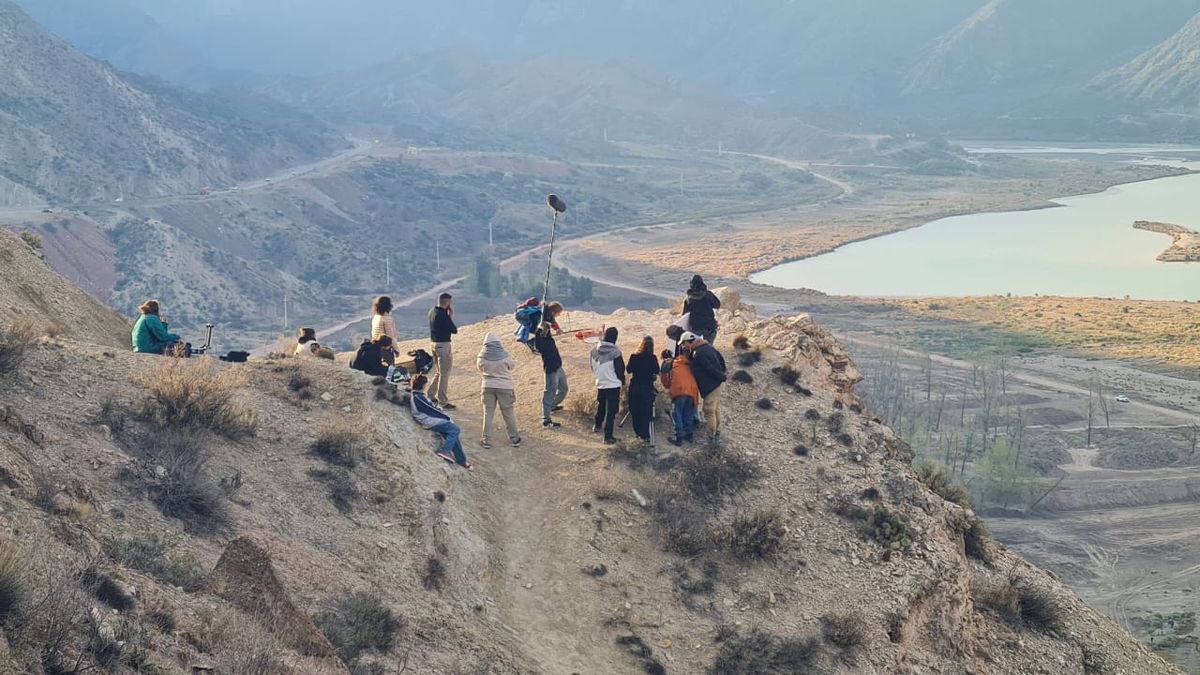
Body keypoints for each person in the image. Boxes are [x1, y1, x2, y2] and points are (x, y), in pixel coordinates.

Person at [410, 375, 471, 470]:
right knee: (455, 429)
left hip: (432, 419)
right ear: (423, 385)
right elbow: (431, 410)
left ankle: (462, 460)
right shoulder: (417, 397)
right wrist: (446, 417)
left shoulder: (419, 396)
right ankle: (445, 452)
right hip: (430, 421)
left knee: (452, 435)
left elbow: (431, 407)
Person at [476, 332, 521, 448]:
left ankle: (486, 440)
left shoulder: (481, 356)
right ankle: (515, 439)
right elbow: (511, 366)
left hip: (487, 386)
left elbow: (479, 368)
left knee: (488, 413)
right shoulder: (505, 355)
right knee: (508, 413)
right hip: (505, 387)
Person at [682, 332, 727, 439]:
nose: (685, 347)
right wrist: (723, 373)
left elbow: (709, 368)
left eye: (684, 344)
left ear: (689, 342)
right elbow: (721, 359)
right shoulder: (708, 347)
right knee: (715, 409)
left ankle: (711, 436)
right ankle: (717, 431)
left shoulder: (698, 353)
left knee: (709, 411)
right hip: (717, 384)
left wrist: (721, 376)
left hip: (710, 386)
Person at [590, 327, 625, 445]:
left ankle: (597, 425)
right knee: (611, 411)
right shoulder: (615, 352)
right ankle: (608, 436)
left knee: (601, 405)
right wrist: (622, 381)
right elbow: (620, 370)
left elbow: (592, 366)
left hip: (600, 382)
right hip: (613, 384)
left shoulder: (594, 350)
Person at [660, 347, 700, 445]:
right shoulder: (684, 363)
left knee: (677, 413)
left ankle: (679, 438)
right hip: (692, 390)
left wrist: (669, 386)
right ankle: (689, 435)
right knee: (688, 413)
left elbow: (665, 382)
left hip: (679, 390)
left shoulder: (668, 365)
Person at [625, 336, 659, 445]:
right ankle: (645, 436)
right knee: (645, 412)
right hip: (647, 388)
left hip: (635, 387)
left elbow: (629, 369)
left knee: (635, 411)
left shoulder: (634, 357)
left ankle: (638, 433)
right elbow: (657, 371)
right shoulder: (653, 358)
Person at [428, 293, 458, 409]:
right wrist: (450, 315)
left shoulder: (432, 311)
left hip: (434, 344)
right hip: (443, 345)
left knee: (439, 371)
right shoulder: (443, 315)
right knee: (444, 373)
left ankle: (431, 394)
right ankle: (443, 401)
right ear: (448, 302)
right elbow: (454, 330)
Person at [536, 324, 569, 428]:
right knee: (549, 392)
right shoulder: (540, 340)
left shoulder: (548, 337)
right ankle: (546, 419)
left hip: (558, 367)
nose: (547, 330)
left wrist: (558, 330)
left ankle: (552, 405)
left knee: (563, 389)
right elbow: (539, 347)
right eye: (545, 329)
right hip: (551, 370)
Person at [682, 275, 721, 344]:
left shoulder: (688, 299)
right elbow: (717, 305)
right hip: (709, 326)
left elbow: (684, 315)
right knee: (708, 347)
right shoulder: (708, 295)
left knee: (694, 347)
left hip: (696, 327)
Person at [371, 296, 399, 367]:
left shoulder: (376, 317)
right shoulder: (386, 319)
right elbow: (391, 336)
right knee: (390, 369)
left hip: (376, 347)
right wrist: (396, 350)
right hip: (386, 348)